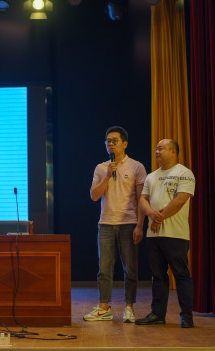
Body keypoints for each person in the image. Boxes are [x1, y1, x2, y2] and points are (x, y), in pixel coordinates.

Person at [83, 126, 147, 323]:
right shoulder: (101, 168)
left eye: (114, 141)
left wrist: (140, 226)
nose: (110, 144)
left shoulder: (137, 167)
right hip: (106, 224)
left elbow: (141, 199)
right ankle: (104, 308)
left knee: (130, 269)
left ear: (125, 143)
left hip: (129, 223)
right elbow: (94, 196)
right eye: (108, 141)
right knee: (104, 269)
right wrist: (107, 176)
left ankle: (129, 308)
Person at [135, 139, 196, 328]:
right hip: (154, 236)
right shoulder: (151, 176)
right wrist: (151, 214)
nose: (157, 151)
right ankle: (158, 314)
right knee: (158, 276)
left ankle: (187, 316)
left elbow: (181, 199)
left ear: (173, 152)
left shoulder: (184, 173)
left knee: (181, 275)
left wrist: (159, 218)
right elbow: (143, 199)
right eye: (156, 149)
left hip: (176, 234)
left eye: (161, 148)